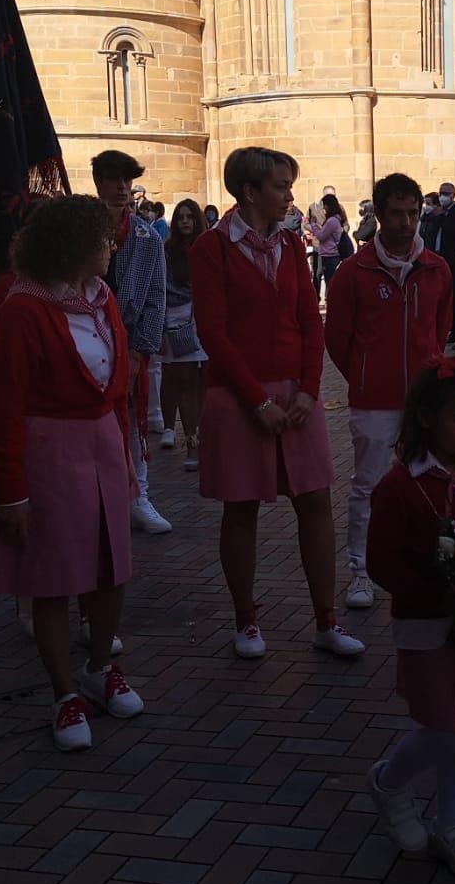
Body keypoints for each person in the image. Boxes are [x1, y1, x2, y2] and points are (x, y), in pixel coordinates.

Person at [0, 196, 145, 752]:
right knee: (53, 577)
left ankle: (99, 668)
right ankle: (64, 693)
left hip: (101, 443)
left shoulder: (102, 298)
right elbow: (1, 405)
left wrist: (127, 459)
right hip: (49, 450)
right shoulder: (23, 308)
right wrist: (12, 492)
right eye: (102, 238)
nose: (111, 247)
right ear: (74, 246)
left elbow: (117, 386)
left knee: (110, 567)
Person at [192, 148, 364, 659]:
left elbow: (310, 320)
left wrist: (310, 389)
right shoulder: (212, 248)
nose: (290, 195)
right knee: (241, 507)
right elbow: (213, 332)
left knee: (315, 502)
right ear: (250, 191)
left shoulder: (290, 244)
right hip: (238, 393)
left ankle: (326, 620)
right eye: (281, 185)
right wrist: (256, 400)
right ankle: (246, 620)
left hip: (294, 392)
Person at [366, 359, 455, 882]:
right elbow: (383, 564)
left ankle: (448, 821)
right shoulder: (399, 487)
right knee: (448, 726)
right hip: (425, 625)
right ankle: (390, 782)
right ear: (427, 417)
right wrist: (443, 595)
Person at [326, 173, 453, 612]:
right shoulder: (353, 272)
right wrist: (363, 377)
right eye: (397, 213)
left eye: (413, 213)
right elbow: (337, 338)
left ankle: (429, 559)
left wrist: (430, 369)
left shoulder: (436, 269)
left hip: (423, 400)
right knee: (369, 486)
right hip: (373, 400)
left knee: (429, 481)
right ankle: (361, 571)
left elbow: (440, 327)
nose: (406, 222)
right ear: (378, 214)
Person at [91, 150, 171, 534]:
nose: (122, 188)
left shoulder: (146, 237)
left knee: (134, 417)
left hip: (129, 339)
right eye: (113, 179)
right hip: (86, 336)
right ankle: (97, 494)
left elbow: (156, 297)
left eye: (127, 180)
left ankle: (139, 495)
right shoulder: (80, 229)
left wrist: (141, 350)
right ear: (98, 182)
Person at [161, 199, 208, 472]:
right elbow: (162, 288)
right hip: (178, 319)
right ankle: (192, 443)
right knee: (185, 384)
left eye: (190, 217)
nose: (185, 222)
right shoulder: (167, 251)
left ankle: (206, 439)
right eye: (180, 217)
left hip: (205, 318)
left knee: (206, 384)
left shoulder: (209, 247)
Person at [420, 182, 455, 348]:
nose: (443, 196)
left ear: (453, 195)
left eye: (446, 193)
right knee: (446, 297)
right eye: (441, 192)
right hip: (440, 258)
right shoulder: (438, 213)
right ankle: (454, 331)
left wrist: (442, 217)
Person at [308, 192, 348, 297]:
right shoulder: (335, 219)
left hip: (330, 255)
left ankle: (331, 302)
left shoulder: (332, 221)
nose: (323, 208)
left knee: (330, 283)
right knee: (327, 280)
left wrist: (313, 225)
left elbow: (321, 236)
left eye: (324, 205)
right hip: (330, 254)